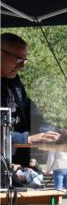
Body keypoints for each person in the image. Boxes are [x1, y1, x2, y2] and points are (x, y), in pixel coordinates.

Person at [1, 33, 60, 166]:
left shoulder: (14, 81)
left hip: (16, 164)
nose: (22, 66)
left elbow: (31, 112)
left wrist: (49, 131)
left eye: (24, 61)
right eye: (18, 60)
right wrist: (26, 138)